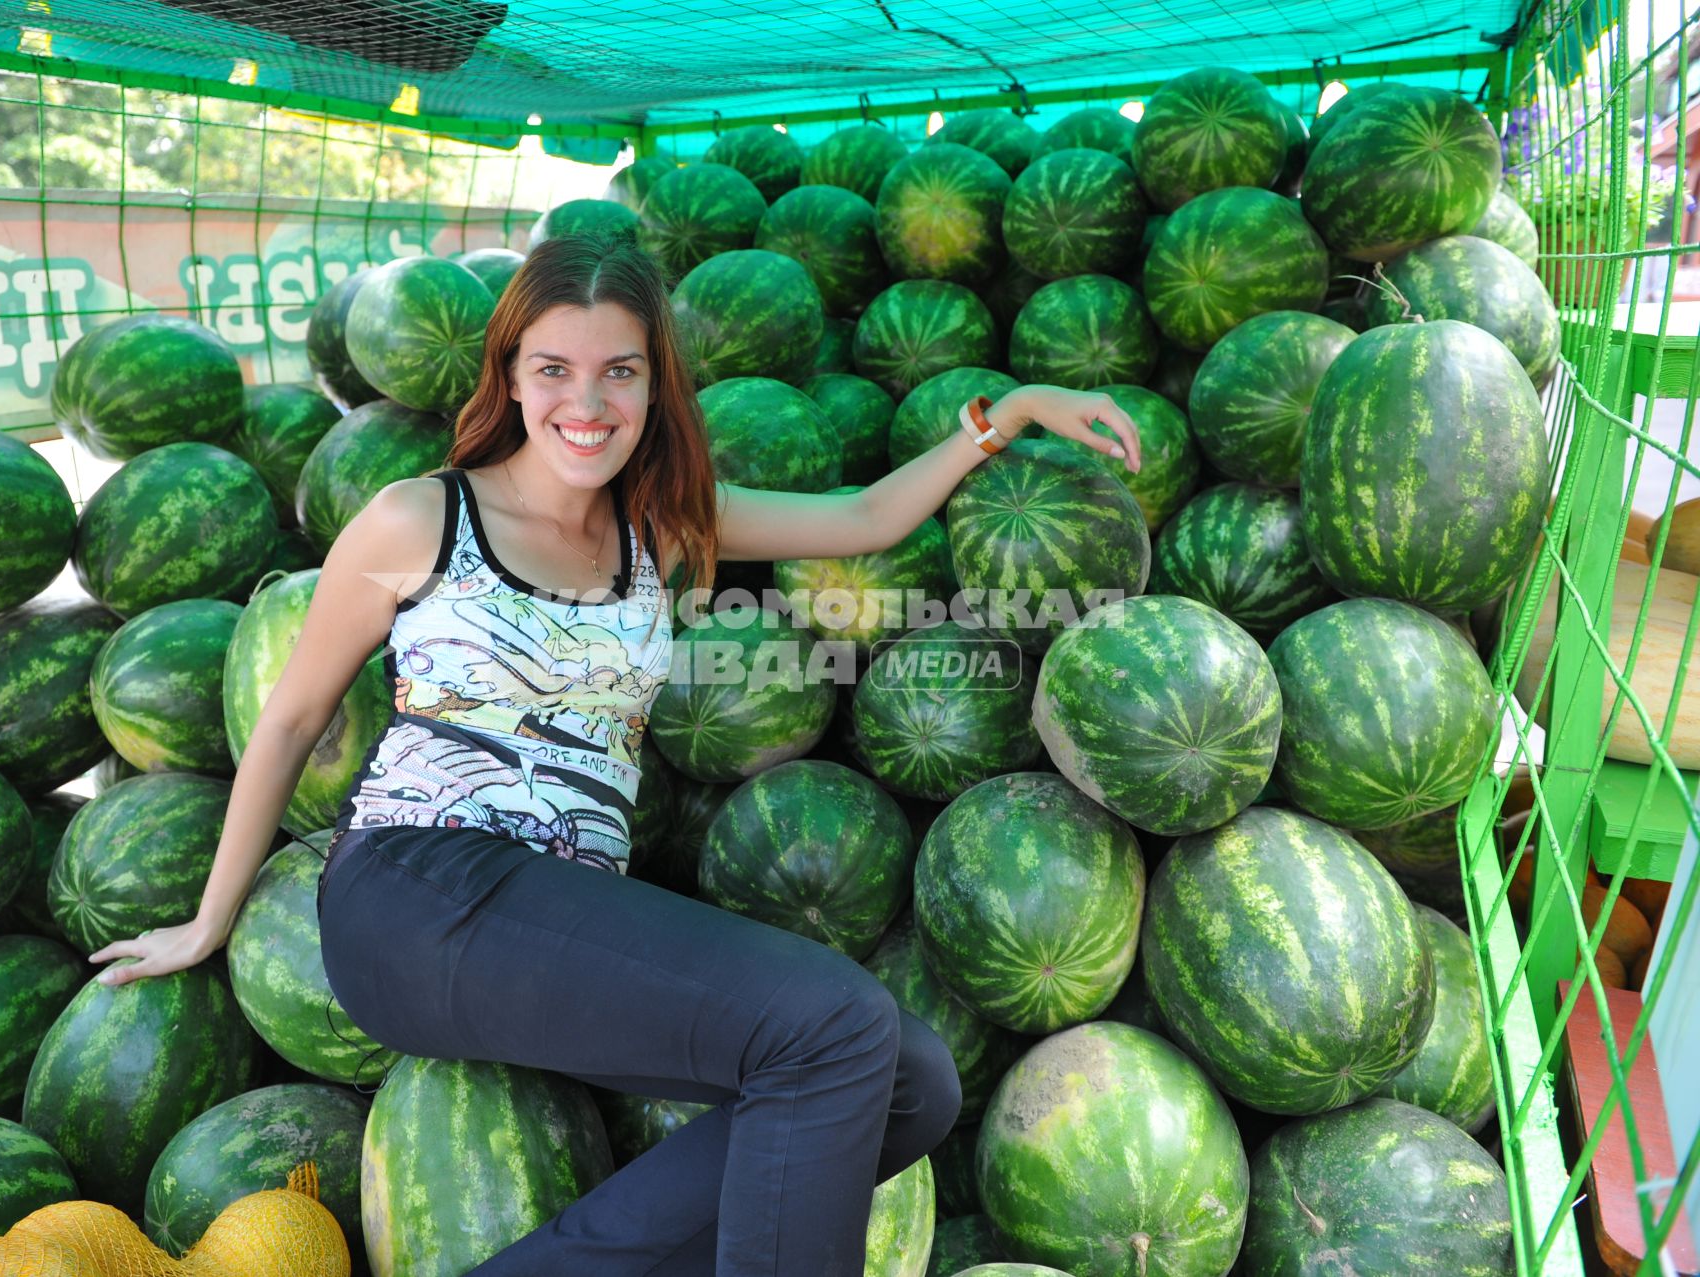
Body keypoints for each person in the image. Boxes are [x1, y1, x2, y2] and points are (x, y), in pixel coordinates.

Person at [87, 231, 1141, 1277]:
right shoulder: (419, 516)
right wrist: (210, 918)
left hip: (546, 903)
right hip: (416, 890)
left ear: (653, 386)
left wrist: (1011, 414)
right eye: (554, 369)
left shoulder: (663, 530)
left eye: (618, 372)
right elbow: (287, 720)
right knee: (833, 1030)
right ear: (509, 375)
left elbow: (865, 516)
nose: (584, 404)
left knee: (910, 1080)